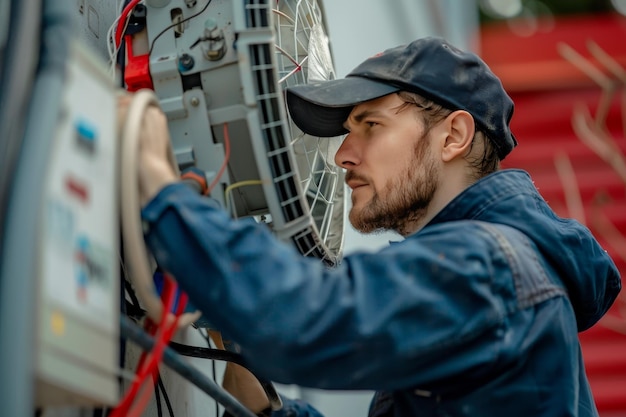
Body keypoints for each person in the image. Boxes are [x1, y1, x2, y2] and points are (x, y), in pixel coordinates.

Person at [128, 36, 621, 416]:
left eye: (371, 125)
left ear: (453, 136)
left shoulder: (488, 268)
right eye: (348, 132)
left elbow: (304, 324)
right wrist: (266, 408)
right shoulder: (499, 276)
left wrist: (159, 185)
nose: (343, 155)